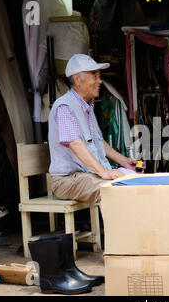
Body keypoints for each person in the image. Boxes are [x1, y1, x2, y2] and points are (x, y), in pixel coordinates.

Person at [48, 54, 139, 204]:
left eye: (99, 76)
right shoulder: (65, 107)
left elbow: (98, 141)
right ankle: (122, 228)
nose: (100, 81)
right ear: (77, 80)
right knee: (113, 190)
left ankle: (137, 227)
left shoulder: (87, 106)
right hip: (67, 180)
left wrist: (124, 161)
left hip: (86, 174)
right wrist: (104, 172)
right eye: (94, 76)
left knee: (136, 181)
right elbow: (75, 144)